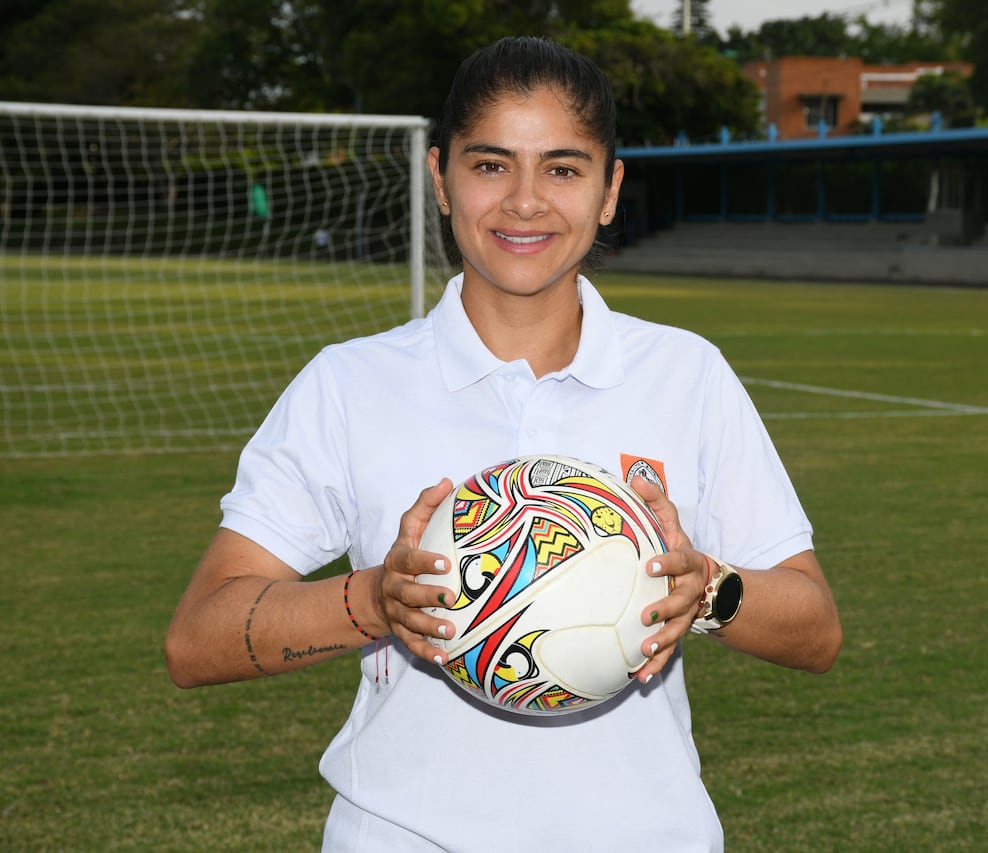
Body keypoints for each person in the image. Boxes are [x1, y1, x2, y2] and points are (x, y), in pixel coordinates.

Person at [166, 36, 841, 852]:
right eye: (491, 166)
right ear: (441, 179)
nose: (525, 202)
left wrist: (708, 590)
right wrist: (373, 600)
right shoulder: (349, 384)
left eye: (562, 168)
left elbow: (816, 630)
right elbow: (197, 639)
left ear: (609, 190)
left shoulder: (685, 374)